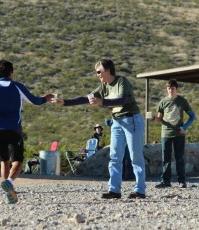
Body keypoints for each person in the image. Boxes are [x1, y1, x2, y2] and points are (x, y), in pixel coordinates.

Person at [53, 59, 146, 199]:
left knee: (136, 156)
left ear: (108, 70)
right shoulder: (103, 87)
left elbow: (122, 100)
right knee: (115, 156)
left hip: (131, 119)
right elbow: (86, 98)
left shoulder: (122, 81)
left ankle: (140, 190)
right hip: (117, 121)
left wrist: (102, 101)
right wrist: (65, 102)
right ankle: (114, 190)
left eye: (99, 71)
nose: (98, 75)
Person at [0, 60, 53, 204]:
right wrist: (45, 99)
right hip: (14, 130)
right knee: (17, 162)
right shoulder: (17, 87)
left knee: (4, 162)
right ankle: (10, 182)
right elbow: (35, 101)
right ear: (11, 72)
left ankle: (9, 192)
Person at [150, 79, 195, 188]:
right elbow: (159, 118)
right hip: (166, 133)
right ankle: (166, 181)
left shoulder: (182, 101)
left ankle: (181, 181)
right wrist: (152, 118)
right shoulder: (163, 102)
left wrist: (185, 127)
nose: (170, 90)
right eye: (169, 88)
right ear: (167, 89)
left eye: (173, 88)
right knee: (166, 158)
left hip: (179, 134)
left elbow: (192, 116)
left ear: (176, 89)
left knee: (179, 158)